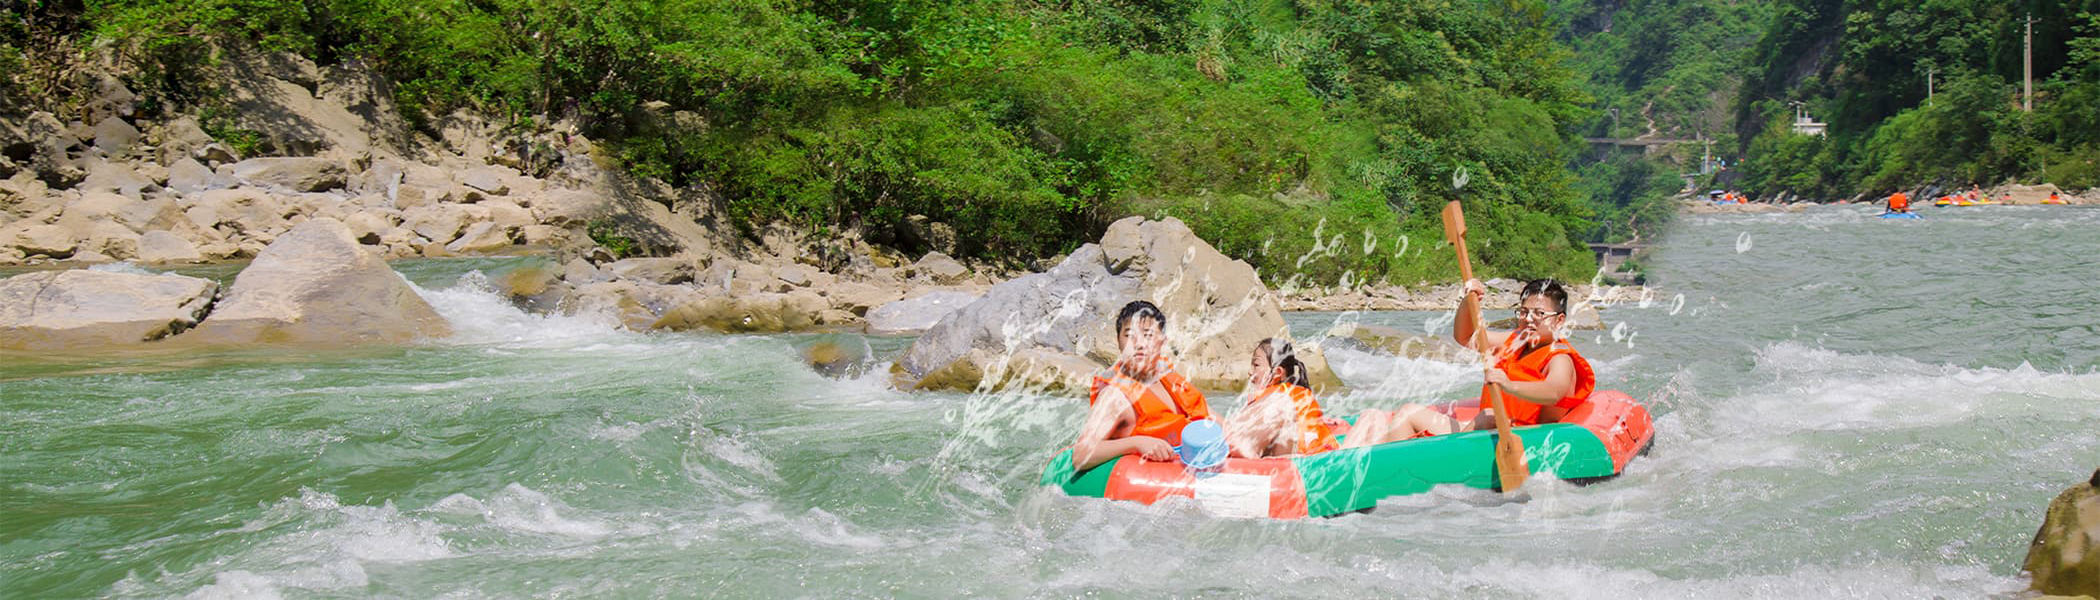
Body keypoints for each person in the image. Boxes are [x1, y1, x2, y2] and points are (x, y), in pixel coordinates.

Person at [1339, 278, 1597, 447]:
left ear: (1559, 320)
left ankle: (1366, 470)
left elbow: (1554, 391)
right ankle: (1354, 461)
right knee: (1400, 412)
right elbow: (1466, 336)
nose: (1529, 319)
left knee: (1403, 417)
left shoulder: (1560, 357)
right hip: (1485, 429)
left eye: (1539, 314)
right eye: (1524, 312)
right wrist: (1469, 301)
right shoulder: (1515, 339)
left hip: (1522, 440)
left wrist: (1509, 385)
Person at [1069, 300, 1211, 471]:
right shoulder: (1115, 396)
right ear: (1119, 342)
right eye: (1129, 335)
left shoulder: (1173, 384)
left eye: (1148, 335)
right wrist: (1135, 443)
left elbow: (1215, 422)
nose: (1139, 344)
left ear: (1162, 341)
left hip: (1178, 478)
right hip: (1131, 488)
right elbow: (1080, 455)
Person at [1221, 338, 1340, 458]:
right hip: (1315, 455)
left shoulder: (1277, 399)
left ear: (1277, 372)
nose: (1250, 372)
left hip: (1299, 459)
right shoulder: (1296, 393)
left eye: (1256, 365)